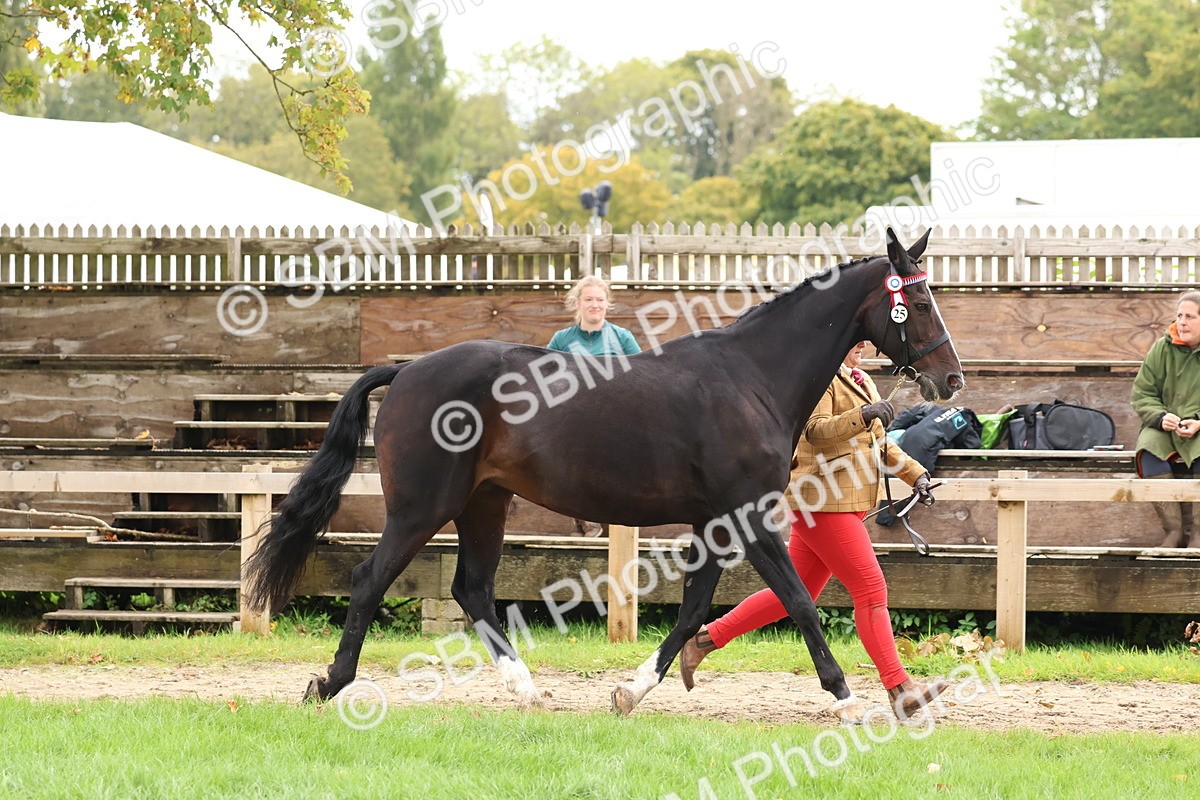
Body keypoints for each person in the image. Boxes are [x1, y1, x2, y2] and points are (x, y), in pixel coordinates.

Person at [679, 341, 947, 719]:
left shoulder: (862, 379)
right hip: (822, 502)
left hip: (846, 502)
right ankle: (900, 688)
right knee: (871, 590)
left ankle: (705, 639)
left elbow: (879, 442)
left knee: (792, 594)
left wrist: (915, 475)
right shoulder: (818, 381)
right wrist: (864, 412)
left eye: (867, 343)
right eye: (857, 342)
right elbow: (815, 431)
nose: (865, 348)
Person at [547, 274, 641, 536]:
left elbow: (643, 377)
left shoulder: (622, 338)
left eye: (600, 300)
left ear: (607, 304)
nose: (594, 305)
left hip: (614, 417)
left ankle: (618, 523)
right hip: (573, 418)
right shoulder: (561, 340)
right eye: (588, 299)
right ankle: (584, 520)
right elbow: (544, 380)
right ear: (578, 303)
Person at [1131, 290, 1200, 548]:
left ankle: (1198, 535)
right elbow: (1142, 392)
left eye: (1190, 317)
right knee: (1149, 448)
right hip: (1165, 424)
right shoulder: (1162, 347)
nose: (1182, 322)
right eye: (1179, 315)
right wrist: (1160, 417)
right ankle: (1173, 531)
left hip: (1199, 427)